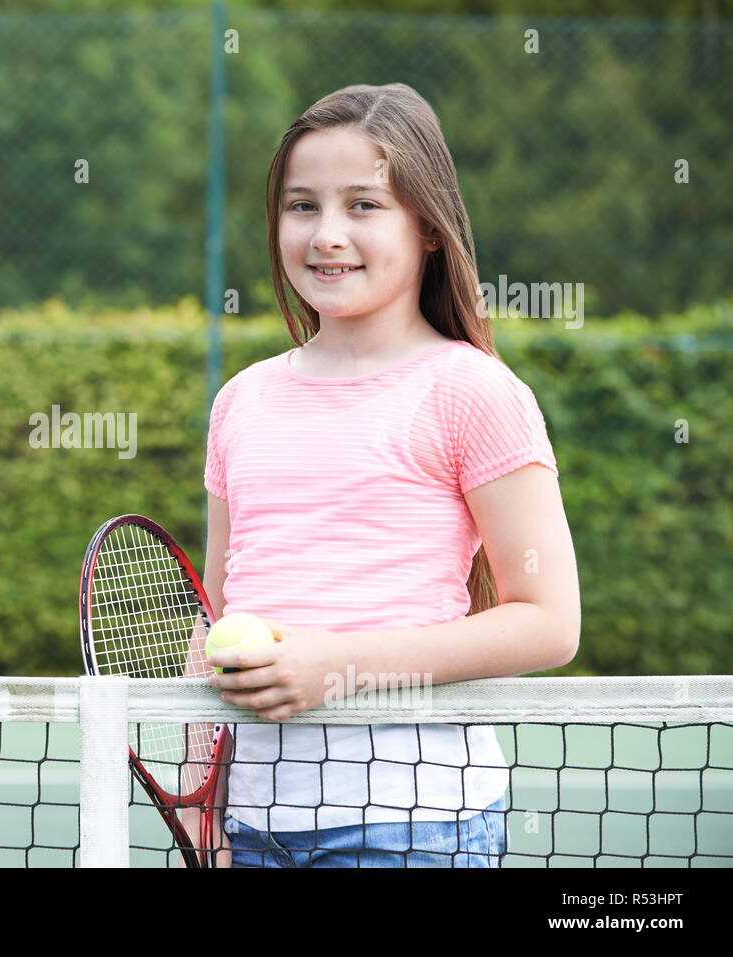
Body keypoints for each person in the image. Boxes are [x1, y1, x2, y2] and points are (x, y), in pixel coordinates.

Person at [196, 83, 580, 868]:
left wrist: (335, 667)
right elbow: (217, 628)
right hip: (254, 828)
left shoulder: (471, 391)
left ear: (428, 227)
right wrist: (210, 812)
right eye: (302, 206)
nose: (326, 234)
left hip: (413, 824)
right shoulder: (240, 401)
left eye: (364, 205)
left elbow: (550, 620)